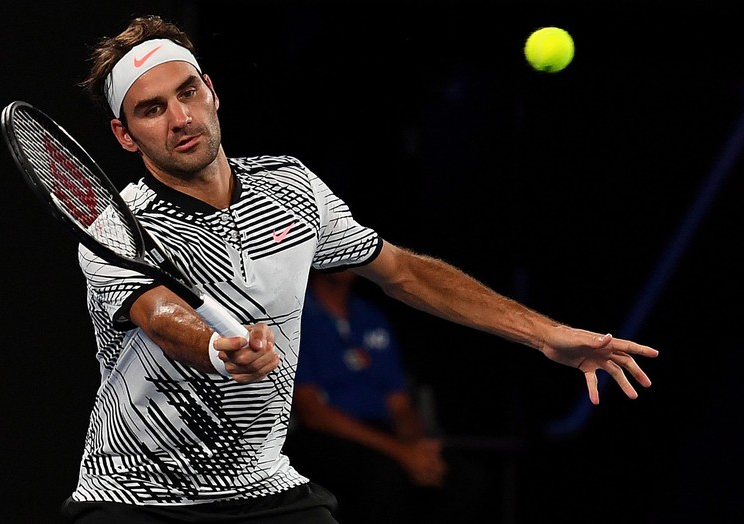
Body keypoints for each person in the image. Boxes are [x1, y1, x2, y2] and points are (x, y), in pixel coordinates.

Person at [58, 15, 659, 524]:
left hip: (264, 489)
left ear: (211, 90)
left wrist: (545, 334)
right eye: (152, 109)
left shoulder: (289, 188)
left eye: (187, 93)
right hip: (134, 496)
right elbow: (160, 315)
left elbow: (404, 273)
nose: (179, 118)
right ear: (125, 134)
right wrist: (218, 349)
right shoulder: (117, 225)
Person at [285, 269, 461, 523]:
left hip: (383, 433)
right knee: (381, 476)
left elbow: (399, 404)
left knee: (459, 477)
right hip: (324, 437)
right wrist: (401, 453)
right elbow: (312, 412)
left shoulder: (371, 317)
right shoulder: (298, 319)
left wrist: (419, 449)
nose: (346, 258)